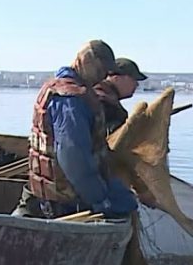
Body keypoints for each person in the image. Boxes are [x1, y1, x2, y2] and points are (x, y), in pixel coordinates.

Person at [13, 40, 140, 220]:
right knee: (125, 206)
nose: (102, 76)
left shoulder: (57, 87)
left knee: (127, 199)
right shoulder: (71, 100)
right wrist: (100, 200)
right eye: (100, 69)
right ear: (85, 60)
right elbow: (73, 158)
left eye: (106, 72)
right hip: (65, 199)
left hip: (50, 192)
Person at [94, 57, 148, 135]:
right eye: (133, 79)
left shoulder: (99, 95)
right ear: (116, 78)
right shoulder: (105, 103)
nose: (137, 84)